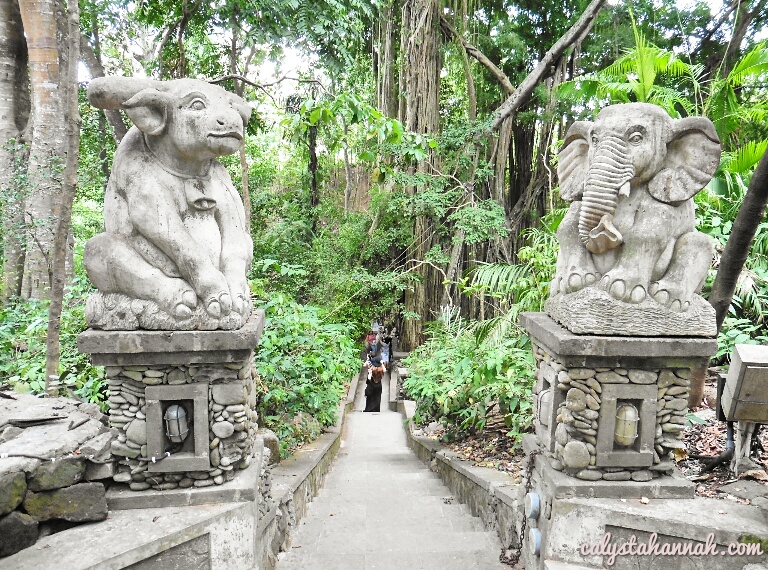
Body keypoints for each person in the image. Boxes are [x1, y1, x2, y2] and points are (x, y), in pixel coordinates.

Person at [364, 331, 384, 412]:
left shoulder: (371, 371)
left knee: (370, 397)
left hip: (372, 385)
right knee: (377, 398)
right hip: (378, 385)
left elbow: (368, 381)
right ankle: (377, 409)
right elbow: (384, 370)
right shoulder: (380, 371)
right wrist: (382, 365)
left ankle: (369, 409)